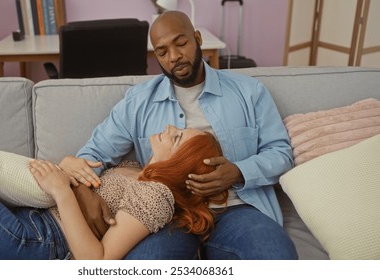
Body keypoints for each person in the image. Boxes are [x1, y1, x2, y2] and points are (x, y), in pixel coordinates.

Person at [59, 11, 298, 260]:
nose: (174, 57)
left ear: (197, 39)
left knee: (275, 253)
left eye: (181, 43)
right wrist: (82, 190)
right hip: (170, 215)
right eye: (162, 52)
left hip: (237, 210)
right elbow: (95, 153)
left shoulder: (249, 92)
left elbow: (280, 152)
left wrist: (238, 171)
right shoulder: (138, 101)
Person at [0, 126, 224, 259]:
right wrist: (68, 168)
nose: (170, 127)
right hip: (23, 222)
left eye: (179, 137)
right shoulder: (135, 168)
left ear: (183, 162)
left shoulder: (156, 195)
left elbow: (96, 262)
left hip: (31, 242)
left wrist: (63, 192)